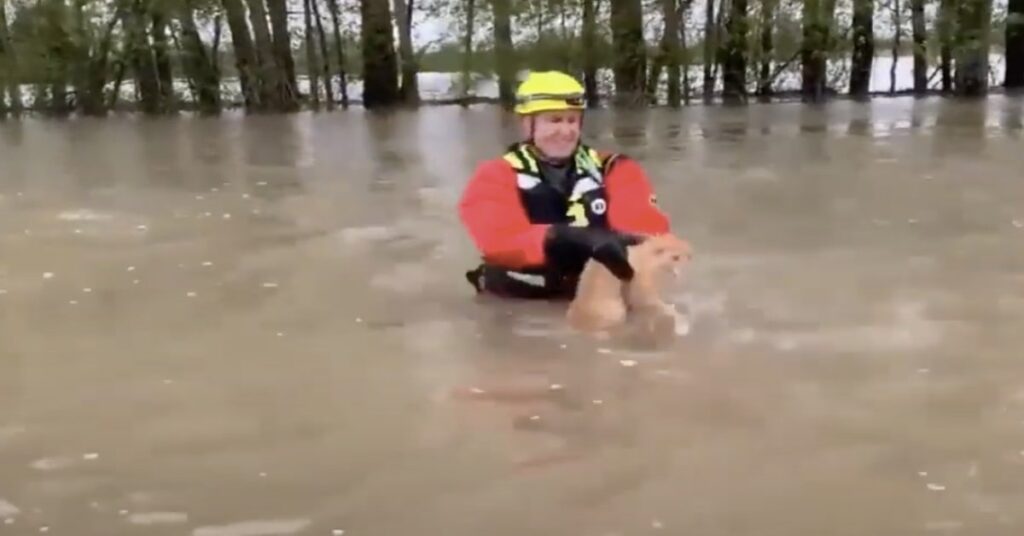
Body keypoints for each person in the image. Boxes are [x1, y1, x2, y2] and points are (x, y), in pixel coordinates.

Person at [458, 70, 674, 300]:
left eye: (572, 120)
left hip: (595, 292)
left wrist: (628, 247)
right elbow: (498, 242)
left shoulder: (616, 169)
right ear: (527, 124)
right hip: (519, 298)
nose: (566, 131)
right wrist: (565, 238)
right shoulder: (494, 175)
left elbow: (646, 230)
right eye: (554, 120)